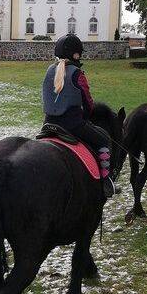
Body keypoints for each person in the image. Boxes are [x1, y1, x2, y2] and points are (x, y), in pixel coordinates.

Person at [42, 34, 116, 198]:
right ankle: (106, 181)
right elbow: (88, 103)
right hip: (72, 125)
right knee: (103, 140)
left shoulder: (49, 70)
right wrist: (86, 116)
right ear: (76, 54)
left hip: (48, 124)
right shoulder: (77, 73)